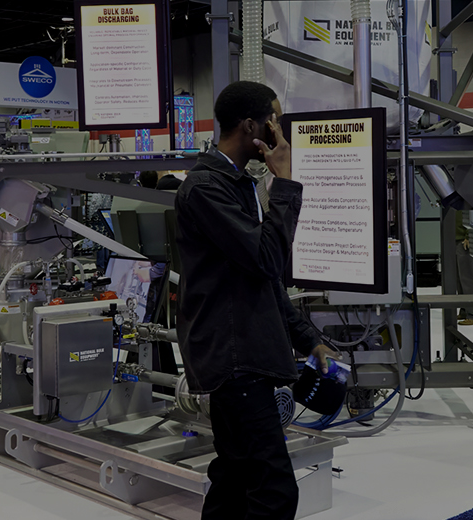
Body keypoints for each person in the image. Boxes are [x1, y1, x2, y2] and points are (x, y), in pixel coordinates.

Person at [173, 80, 339, 520]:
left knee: (235, 476)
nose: (280, 131)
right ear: (252, 126)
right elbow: (267, 260)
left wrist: (307, 339)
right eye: (275, 121)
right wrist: (285, 182)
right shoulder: (206, 188)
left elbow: (257, 281)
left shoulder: (234, 183)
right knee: (273, 489)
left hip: (242, 354)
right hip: (234, 363)